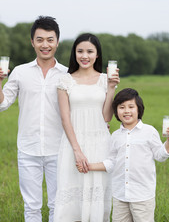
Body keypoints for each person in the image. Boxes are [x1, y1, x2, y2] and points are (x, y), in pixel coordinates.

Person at [0, 16, 68, 222]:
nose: (45, 44)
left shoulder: (67, 74)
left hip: (59, 149)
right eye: (40, 39)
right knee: (31, 207)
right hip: (28, 149)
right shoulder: (20, 72)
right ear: (32, 42)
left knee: (57, 206)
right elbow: (1, 104)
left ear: (57, 42)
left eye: (50, 40)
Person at [53, 33, 120, 222]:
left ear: (97, 55)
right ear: (74, 54)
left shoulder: (105, 79)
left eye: (90, 51)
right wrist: (77, 150)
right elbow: (65, 119)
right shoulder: (64, 81)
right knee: (71, 201)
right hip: (72, 144)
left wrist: (112, 88)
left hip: (100, 143)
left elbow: (107, 117)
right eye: (80, 51)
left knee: (96, 198)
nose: (85, 56)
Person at [82, 88, 169, 222]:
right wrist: (89, 166)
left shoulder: (149, 131)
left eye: (131, 107)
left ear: (139, 109)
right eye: (121, 107)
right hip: (120, 195)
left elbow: (160, 156)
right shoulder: (115, 136)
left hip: (142, 195)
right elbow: (112, 162)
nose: (126, 111)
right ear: (116, 111)